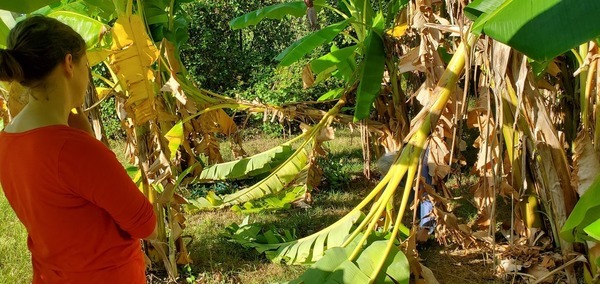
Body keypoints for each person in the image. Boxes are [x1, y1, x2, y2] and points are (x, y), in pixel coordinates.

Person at [0, 16, 157, 283]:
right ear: (69, 64)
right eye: (86, 65)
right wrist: (89, 143)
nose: (87, 75)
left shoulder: (7, 140)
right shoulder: (74, 149)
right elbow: (146, 225)